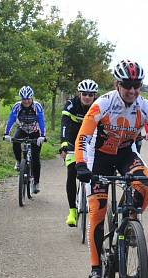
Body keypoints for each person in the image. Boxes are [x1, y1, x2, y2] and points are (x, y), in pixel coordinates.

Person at [74, 59, 148, 278]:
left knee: (144, 182)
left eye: (137, 85)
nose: (132, 90)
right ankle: (95, 268)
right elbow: (83, 136)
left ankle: (128, 219)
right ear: (116, 84)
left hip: (124, 154)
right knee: (98, 209)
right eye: (127, 85)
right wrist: (81, 165)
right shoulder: (102, 104)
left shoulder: (145, 107)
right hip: (98, 157)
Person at [60, 79, 99, 227]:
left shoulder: (98, 106)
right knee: (71, 173)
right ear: (79, 93)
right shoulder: (71, 105)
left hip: (90, 141)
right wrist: (64, 143)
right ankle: (72, 211)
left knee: (96, 172)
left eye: (90, 94)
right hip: (72, 140)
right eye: (84, 94)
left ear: (94, 95)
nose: (87, 97)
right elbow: (64, 124)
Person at [3, 85, 46, 194]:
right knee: (15, 141)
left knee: (36, 158)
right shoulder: (17, 106)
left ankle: (36, 183)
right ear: (21, 98)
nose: (26, 101)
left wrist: (42, 136)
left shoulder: (37, 107)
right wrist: (6, 133)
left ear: (32, 98)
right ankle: (18, 161)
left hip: (35, 131)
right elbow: (11, 120)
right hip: (22, 129)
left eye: (28, 99)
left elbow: (41, 121)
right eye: (23, 99)